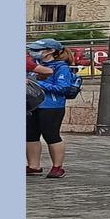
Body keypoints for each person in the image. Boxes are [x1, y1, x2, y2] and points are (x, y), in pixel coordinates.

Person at [27, 40, 81, 178]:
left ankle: (57, 167)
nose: (33, 52)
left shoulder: (61, 67)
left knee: (51, 135)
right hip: (32, 106)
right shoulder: (35, 65)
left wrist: (37, 83)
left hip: (52, 106)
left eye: (38, 49)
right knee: (30, 135)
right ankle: (34, 166)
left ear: (50, 51)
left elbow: (62, 88)